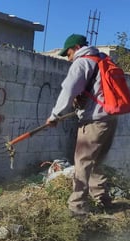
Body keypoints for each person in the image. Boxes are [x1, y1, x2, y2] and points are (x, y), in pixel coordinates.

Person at [46, 34, 118, 216]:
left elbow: (69, 90)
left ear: (76, 47)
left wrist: (55, 115)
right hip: (109, 119)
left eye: (68, 53)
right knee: (96, 162)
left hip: (93, 122)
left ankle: (77, 207)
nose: (68, 58)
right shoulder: (102, 59)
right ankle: (103, 200)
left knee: (82, 163)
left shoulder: (82, 62)